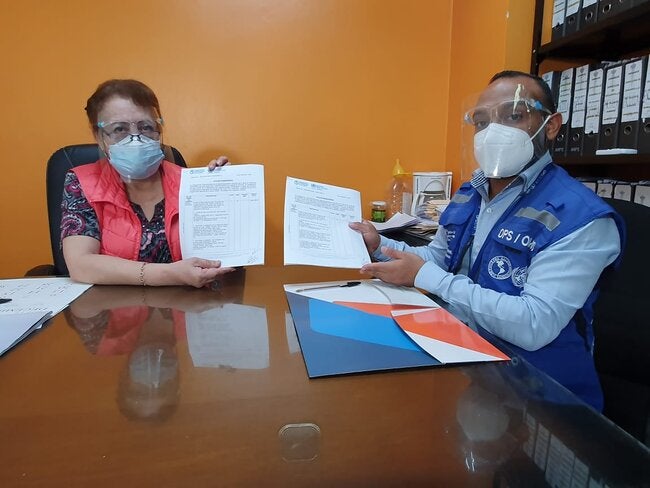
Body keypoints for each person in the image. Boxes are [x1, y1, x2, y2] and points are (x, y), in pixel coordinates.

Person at [350, 70, 625, 411]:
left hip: (541, 397)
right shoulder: (470, 193)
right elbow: (438, 259)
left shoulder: (581, 217)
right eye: (482, 122)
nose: (493, 132)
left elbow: (533, 324)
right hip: (463, 365)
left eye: (513, 116)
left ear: (551, 126)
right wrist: (379, 246)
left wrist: (427, 277)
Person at [61, 79, 234, 287]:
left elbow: (223, 259)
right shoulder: (82, 183)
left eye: (146, 127)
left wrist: (223, 194)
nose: (135, 138)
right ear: (99, 136)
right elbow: (80, 264)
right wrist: (169, 275)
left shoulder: (189, 183)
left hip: (188, 303)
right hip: (113, 305)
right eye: (120, 129)